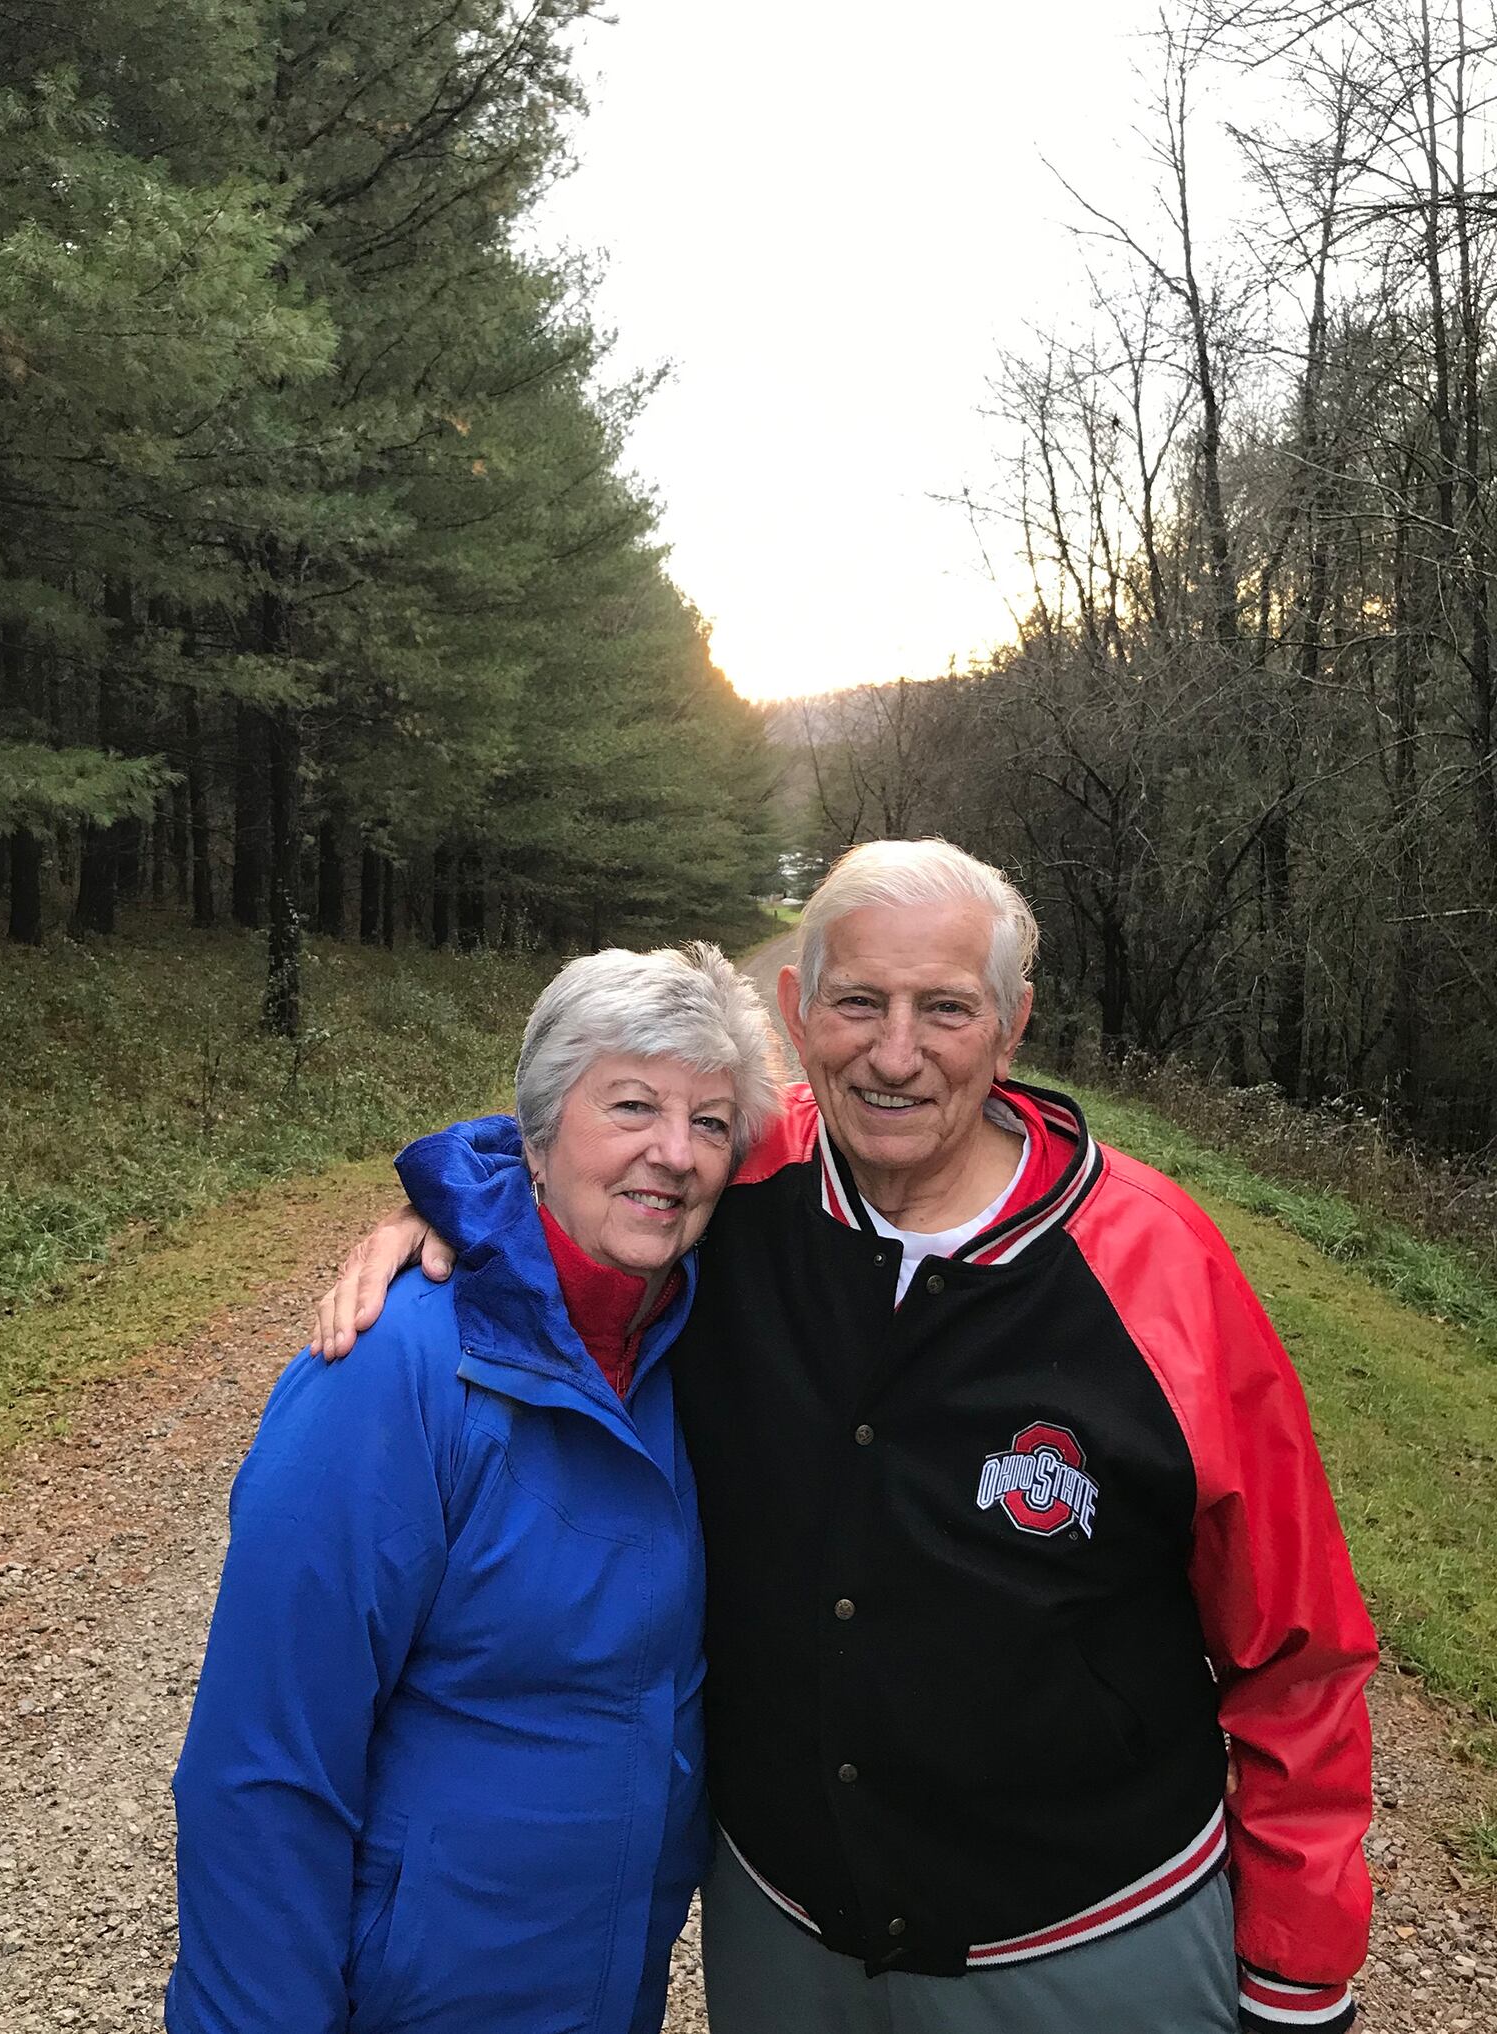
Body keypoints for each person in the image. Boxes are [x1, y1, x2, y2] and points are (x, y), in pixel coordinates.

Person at [316, 839, 1377, 2034]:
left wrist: (1298, 1970)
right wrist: (451, 1205)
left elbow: (1298, 1651)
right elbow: (584, 1151)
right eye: (858, 1002)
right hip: (782, 1930)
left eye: (946, 1010)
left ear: (1013, 1025)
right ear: (796, 1009)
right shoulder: (735, 1193)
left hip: (1087, 1935)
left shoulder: (1159, 1270)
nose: (893, 1053)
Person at [166, 942, 784, 2034]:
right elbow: (262, 1771)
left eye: (711, 1123)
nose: (674, 1153)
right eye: (631, 1104)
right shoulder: (393, 1370)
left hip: (601, 1988)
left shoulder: (694, 1348)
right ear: (535, 1138)